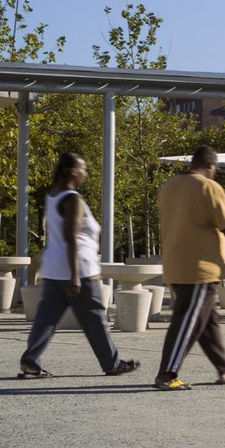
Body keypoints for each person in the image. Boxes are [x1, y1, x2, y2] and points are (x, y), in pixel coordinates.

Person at [17, 152, 141, 379]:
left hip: (53, 269)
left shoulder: (53, 195)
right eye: (83, 169)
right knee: (94, 319)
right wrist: (75, 275)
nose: (85, 173)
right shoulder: (73, 199)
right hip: (79, 270)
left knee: (46, 319)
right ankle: (112, 364)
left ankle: (30, 361)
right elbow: (71, 237)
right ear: (74, 172)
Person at [153, 145, 225, 391]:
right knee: (188, 320)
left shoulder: (169, 186)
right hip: (200, 268)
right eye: (215, 168)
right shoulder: (209, 187)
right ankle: (166, 374)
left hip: (176, 264)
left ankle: (224, 367)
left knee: (207, 323)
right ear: (210, 165)